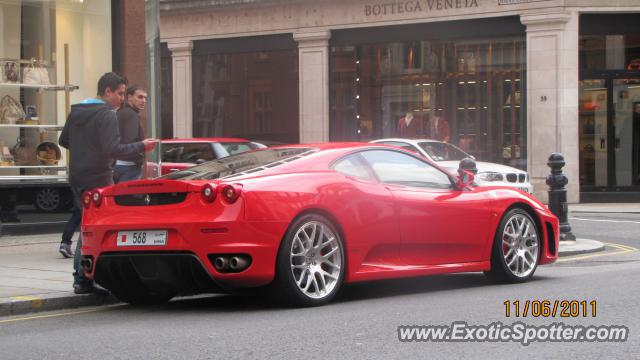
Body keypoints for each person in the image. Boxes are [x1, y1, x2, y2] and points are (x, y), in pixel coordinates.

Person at [58, 72, 158, 294]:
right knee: (92, 229)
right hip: (98, 177)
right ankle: (83, 280)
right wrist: (142, 145)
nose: (122, 99)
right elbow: (113, 150)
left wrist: (85, 150)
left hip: (76, 175)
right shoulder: (107, 114)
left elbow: (63, 140)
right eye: (120, 94)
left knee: (87, 225)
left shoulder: (77, 110)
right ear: (107, 92)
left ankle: (85, 278)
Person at [113, 84, 147, 183]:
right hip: (129, 167)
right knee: (127, 198)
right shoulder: (131, 115)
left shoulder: (119, 112)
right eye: (140, 97)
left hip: (116, 165)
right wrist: (141, 155)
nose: (143, 101)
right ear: (129, 97)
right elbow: (130, 140)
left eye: (145, 98)